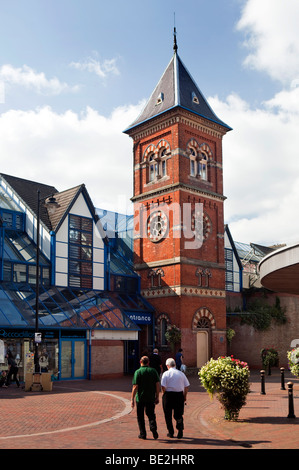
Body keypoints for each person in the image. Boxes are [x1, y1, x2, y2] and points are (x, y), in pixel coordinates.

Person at [131, 356, 160, 440]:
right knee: (151, 414)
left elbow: (135, 387)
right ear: (148, 362)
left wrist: (132, 399)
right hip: (150, 397)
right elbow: (157, 384)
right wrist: (157, 396)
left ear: (140, 362)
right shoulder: (153, 371)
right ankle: (153, 427)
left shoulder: (138, 372)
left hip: (140, 398)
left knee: (140, 416)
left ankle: (143, 433)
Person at [161, 357, 190, 439]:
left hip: (168, 395)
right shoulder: (181, 373)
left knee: (168, 415)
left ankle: (171, 432)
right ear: (175, 365)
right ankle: (180, 429)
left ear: (167, 365)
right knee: (179, 414)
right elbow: (186, 386)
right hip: (179, 395)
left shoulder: (166, 374)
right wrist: (184, 396)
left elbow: (163, 386)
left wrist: (163, 393)